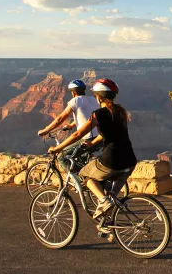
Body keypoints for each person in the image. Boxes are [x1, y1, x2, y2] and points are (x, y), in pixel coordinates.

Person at [47, 78, 137, 219]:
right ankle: (107, 224)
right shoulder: (121, 111)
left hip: (112, 159)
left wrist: (58, 148)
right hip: (130, 160)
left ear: (98, 96)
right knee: (112, 197)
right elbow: (110, 133)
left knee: (84, 174)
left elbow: (78, 134)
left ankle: (102, 201)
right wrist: (92, 142)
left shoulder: (99, 114)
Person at [38, 79, 101, 172]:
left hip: (87, 139)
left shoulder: (75, 101)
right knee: (81, 159)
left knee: (61, 157)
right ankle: (86, 178)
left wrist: (46, 130)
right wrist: (71, 125)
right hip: (99, 138)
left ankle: (82, 180)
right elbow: (88, 117)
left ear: (73, 92)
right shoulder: (92, 99)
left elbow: (61, 118)